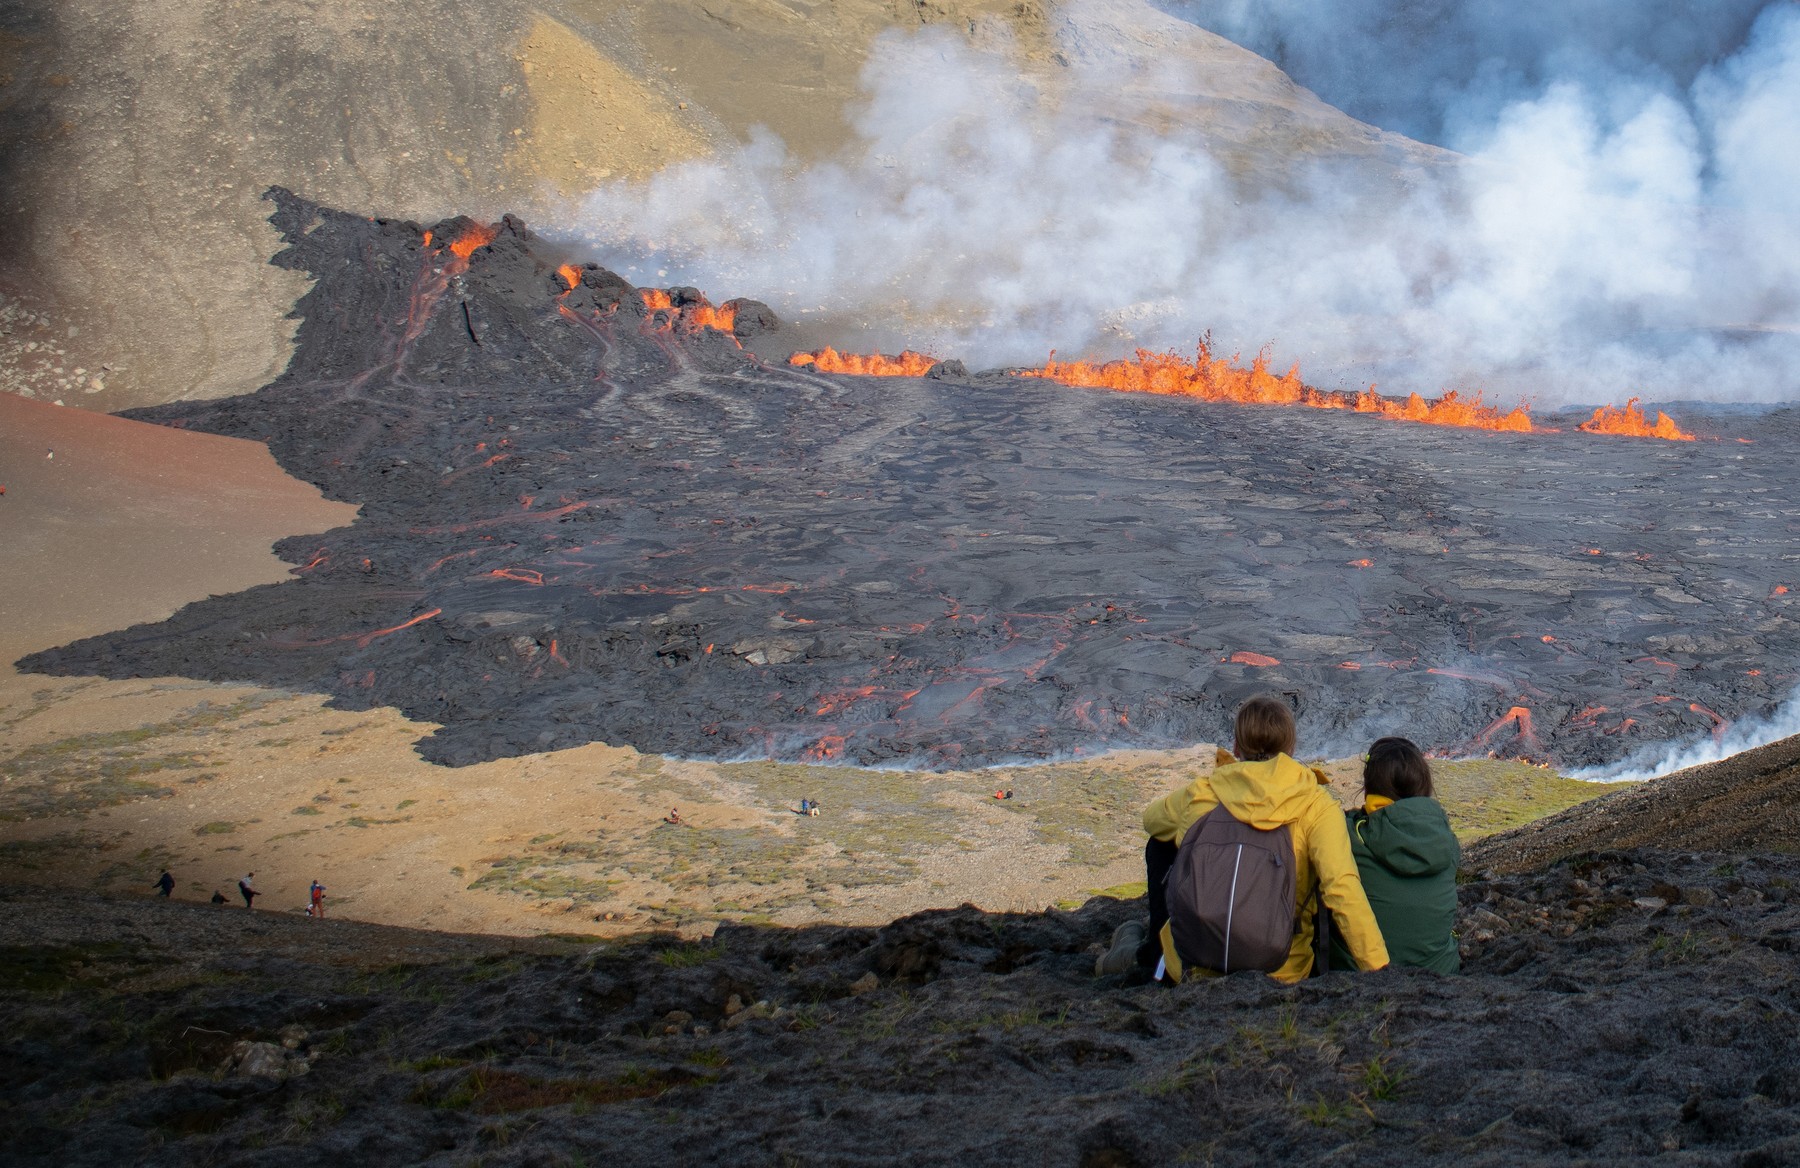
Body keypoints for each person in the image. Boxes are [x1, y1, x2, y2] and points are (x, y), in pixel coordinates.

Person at [1098, 695, 1389, 983]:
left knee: (1161, 844)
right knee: (1323, 872)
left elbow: (1151, 820)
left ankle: (1153, 952)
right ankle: (1147, 949)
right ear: (1291, 747)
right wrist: (1380, 972)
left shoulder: (1204, 792)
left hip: (1194, 965)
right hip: (1282, 971)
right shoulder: (1315, 804)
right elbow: (1342, 889)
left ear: (1237, 746)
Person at [1328, 737, 1461, 974]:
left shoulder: (1348, 836)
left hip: (1360, 977)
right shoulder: (1446, 841)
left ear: (1370, 789)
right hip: (1440, 973)